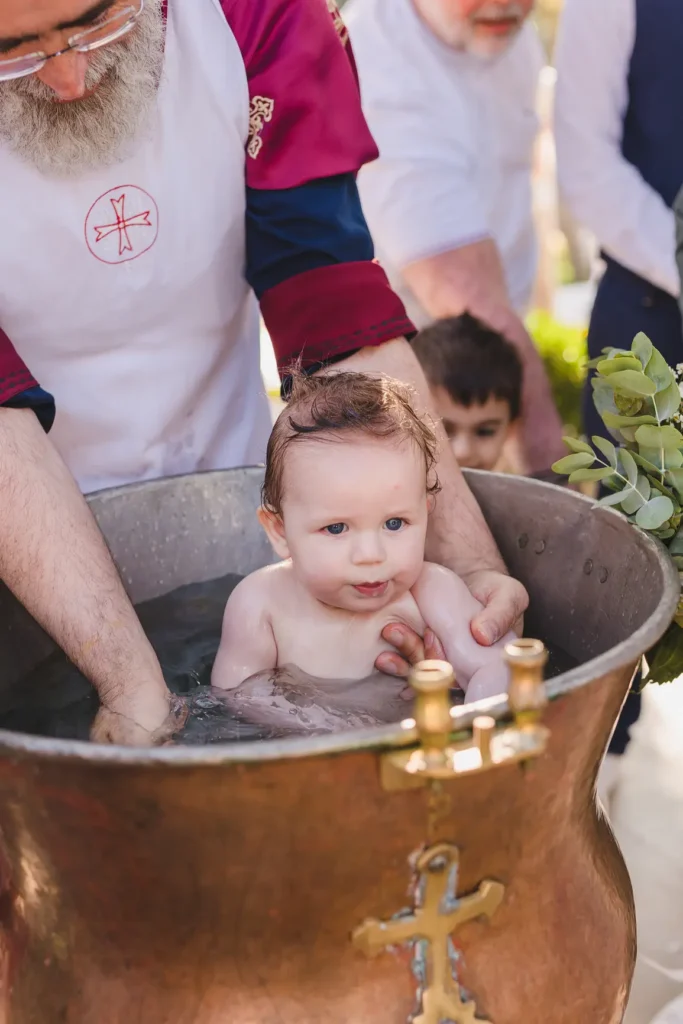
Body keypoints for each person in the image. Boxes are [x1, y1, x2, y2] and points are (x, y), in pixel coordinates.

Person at [0, 0, 527, 745]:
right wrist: (128, 681)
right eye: (16, 51)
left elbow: (327, 296)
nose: (67, 75)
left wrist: (469, 573)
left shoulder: (258, 13)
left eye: (97, 23)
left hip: (231, 476)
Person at [343, 0, 564, 476]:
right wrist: (550, 468)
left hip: (492, 351)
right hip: (407, 380)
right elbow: (463, 289)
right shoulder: (381, 62)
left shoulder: (508, 32)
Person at [212, 372, 512, 704]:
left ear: (425, 514)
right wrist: (318, 728)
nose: (371, 555)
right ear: (280, 531)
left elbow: (495, 668)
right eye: (337, 528)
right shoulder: (260, 604)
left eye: (395, 523)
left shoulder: (431, 591)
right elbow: (238, 701)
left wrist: (471, 724)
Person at [412, 313, 522, 471]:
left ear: (511, 430)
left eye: (484, 432)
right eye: (442, 429)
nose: (463, 452)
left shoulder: (519, 495)